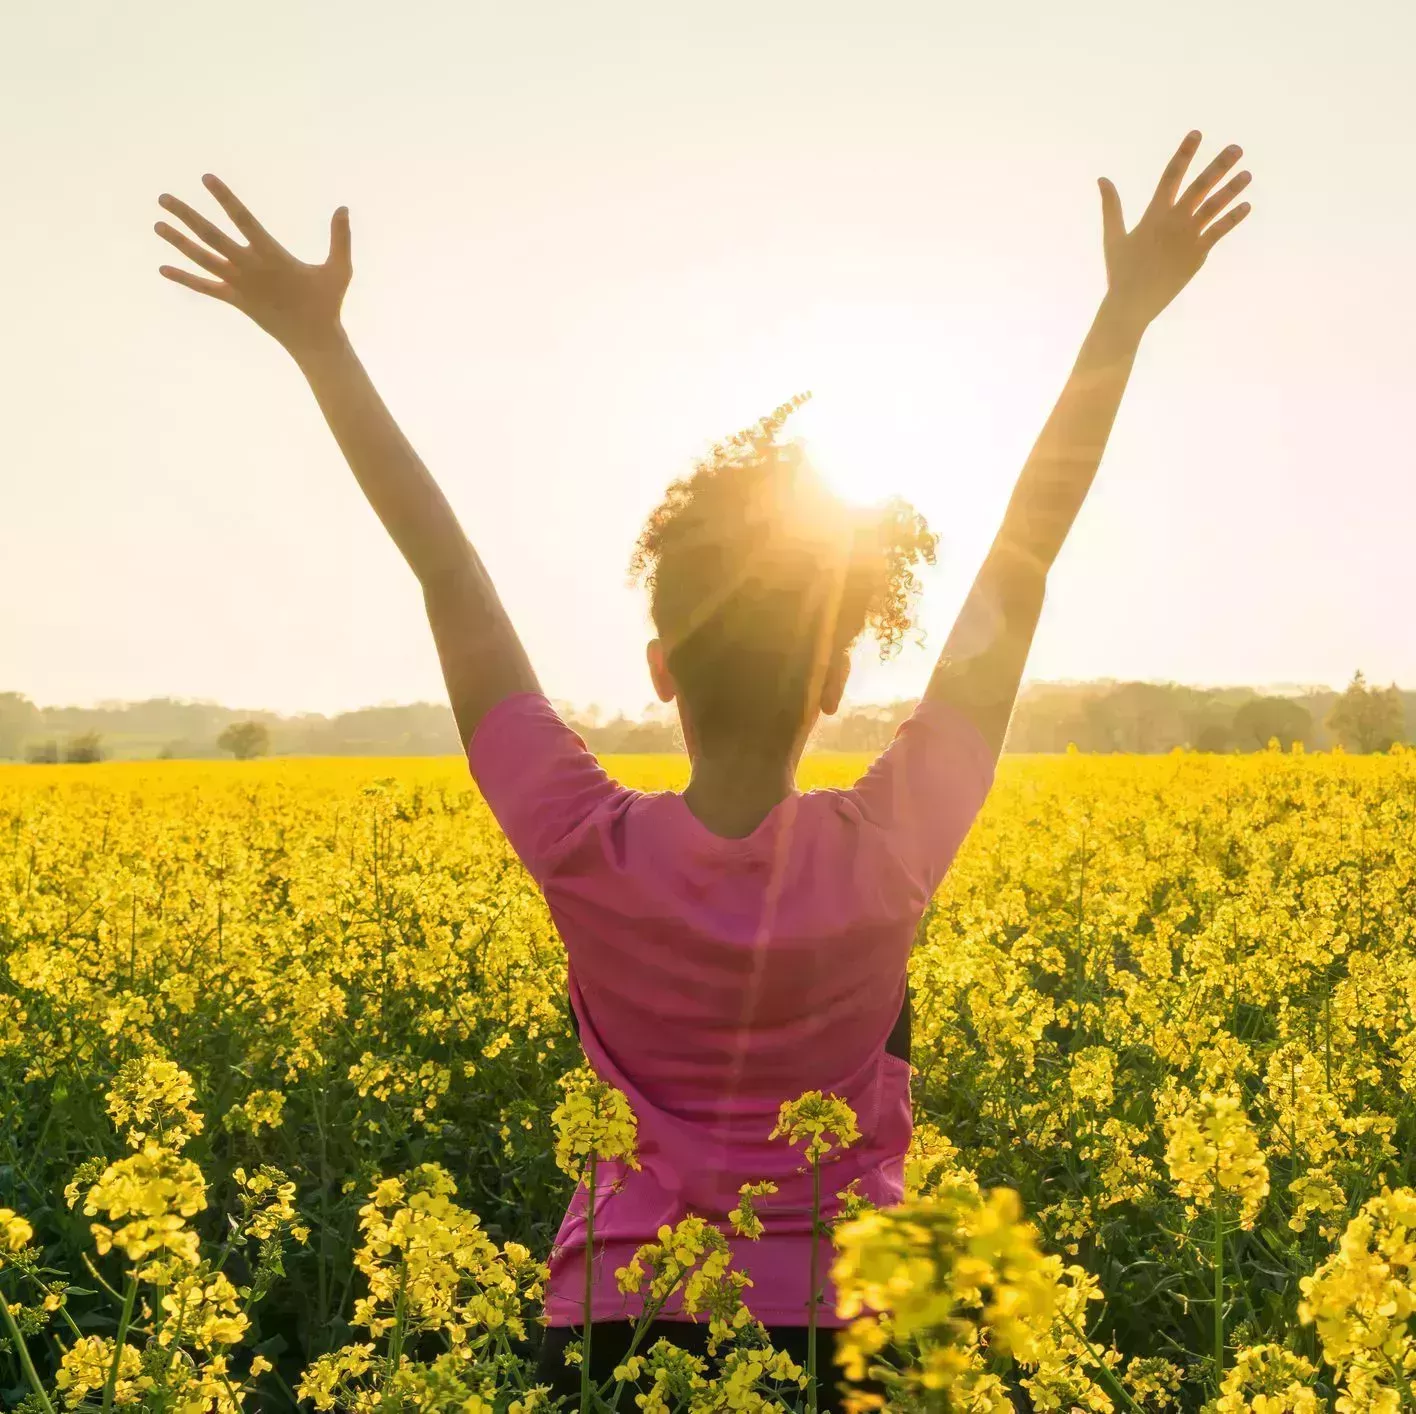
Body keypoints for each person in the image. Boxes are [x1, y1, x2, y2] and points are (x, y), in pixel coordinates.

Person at [155, 130, 1251, 1408]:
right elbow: (1025, 558)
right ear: (835, 680)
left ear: (660, 668)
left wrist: (320, 344)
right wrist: (1122, 317)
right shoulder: (890, 848)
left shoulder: (583, 843)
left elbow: (448, 574)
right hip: (852, 1329)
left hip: (621, 1327)